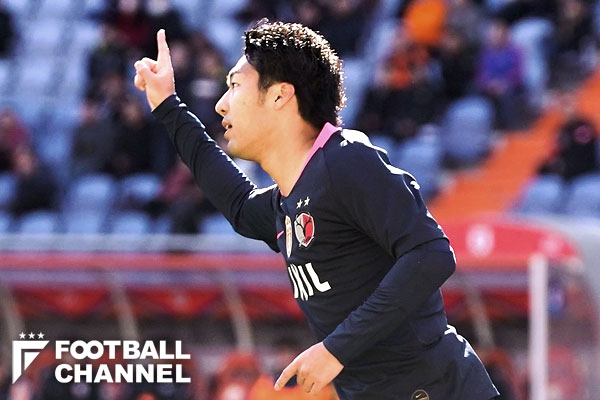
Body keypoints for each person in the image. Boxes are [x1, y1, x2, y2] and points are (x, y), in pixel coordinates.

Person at [133, 22, 499, 399]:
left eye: (235, 85)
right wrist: (168, 106)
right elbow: (240, 206)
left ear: (280, 95)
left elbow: (431, 253)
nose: (221, 103)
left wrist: (335, 349)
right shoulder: (290, 198)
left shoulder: (347, 160)